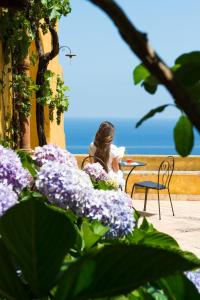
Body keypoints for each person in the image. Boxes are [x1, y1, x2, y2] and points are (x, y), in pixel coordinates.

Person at [89, 121, 125, 189]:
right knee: (120, 174)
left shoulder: (91, 146)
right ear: (110, 136)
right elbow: (116, 169)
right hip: (108, 180)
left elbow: (92, 164)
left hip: (95, 178)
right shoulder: (113, 149)